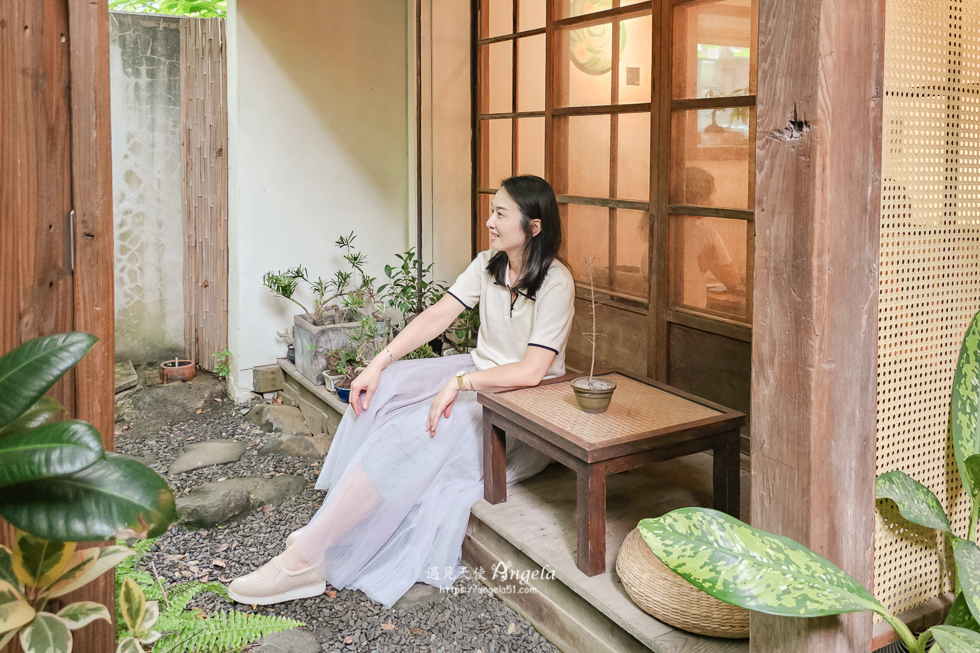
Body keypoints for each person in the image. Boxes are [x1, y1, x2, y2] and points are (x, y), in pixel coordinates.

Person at [227, 175, 575, 608]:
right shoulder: (491, 263)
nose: (489, 221)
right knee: (385, 389)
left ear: (534, 227)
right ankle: (336, 522)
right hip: (476, 372)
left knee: (409, 434)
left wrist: (459, 383)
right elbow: (438, 316)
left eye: (500, 214)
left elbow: (532, 370)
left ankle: (303, 565)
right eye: (492, 211)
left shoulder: (556, 282)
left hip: (518, 401)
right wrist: (378, 364)